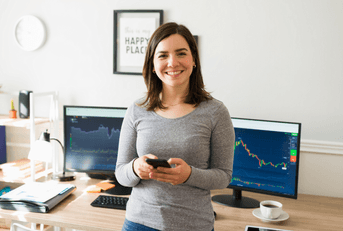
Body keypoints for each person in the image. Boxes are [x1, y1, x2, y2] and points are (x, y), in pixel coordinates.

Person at [116, 22, 235, 231]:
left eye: (181, 53)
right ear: (152, 64)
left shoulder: (216, 112)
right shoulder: (137, 110)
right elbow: (121, 174)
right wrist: (135, 168)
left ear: (194, 60)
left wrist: (189, 175)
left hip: (193, 226)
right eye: (162, 55)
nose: (172, 62)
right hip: (138, 224)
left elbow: (223, 176)